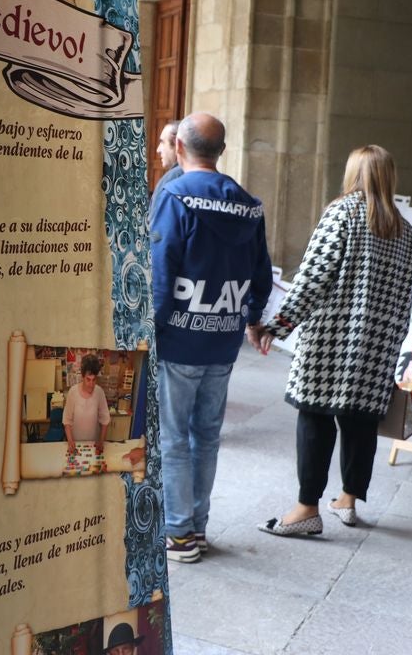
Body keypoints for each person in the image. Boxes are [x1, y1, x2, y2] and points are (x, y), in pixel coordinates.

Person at [251, 145, 412, 537]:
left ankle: (307, 508)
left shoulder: (342, 213)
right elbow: (406, 294)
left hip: (332, 338)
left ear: (353, 173)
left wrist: (277, 325)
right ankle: (348, 500)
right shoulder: (405, 230)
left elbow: (313, 277)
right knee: (360, 421)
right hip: (378, 344)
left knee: (315, 416)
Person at [151, 111, 272, 563]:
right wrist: (253, 317)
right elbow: (261, 273)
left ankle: (180, 533)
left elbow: (161, 272)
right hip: (222, 338)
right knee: (206, 435)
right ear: (221, 152)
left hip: (179, 338)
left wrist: (149, 329)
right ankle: (196, 527)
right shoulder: (247, 203)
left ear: (179, 148)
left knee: (172, 436)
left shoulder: (175, 195)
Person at [63, 354, 111, 454]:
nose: (91, 384)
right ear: (82, 376)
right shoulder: (73, 392)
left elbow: (105, 420)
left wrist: (101, 441)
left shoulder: (99, 392)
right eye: (88, 380)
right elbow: (67, 420)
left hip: (93, 445)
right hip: (76, 444)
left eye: (94, 380)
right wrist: (70, 441)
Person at [149, 119, 182, 220]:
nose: (158, 150)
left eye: (162, 142)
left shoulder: (172, 179)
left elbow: (155, 227)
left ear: (177, 145)